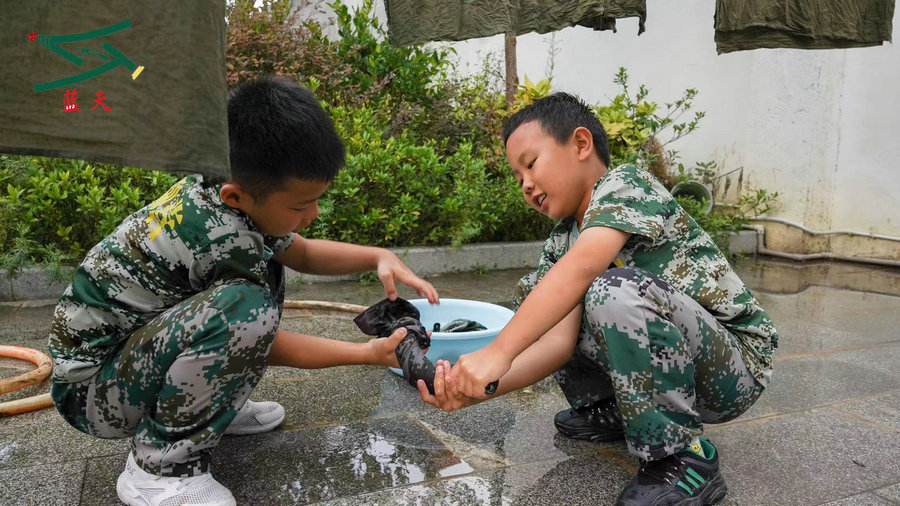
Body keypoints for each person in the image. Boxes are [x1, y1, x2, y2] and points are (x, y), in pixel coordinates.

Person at [48, 76, 439, 506]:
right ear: (237, 197)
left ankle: (206, 411)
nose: (313, 214)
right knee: (245, 306)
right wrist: (366, 354)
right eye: (299, 205)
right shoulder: (219, 236)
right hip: (91, 394)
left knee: (257, 283)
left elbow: (304, 253)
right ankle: (157, 468)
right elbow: (260, 338)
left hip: (131, 359)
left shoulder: (226, 195)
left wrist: (378, 256)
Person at [418, 92, 777, 506]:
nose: (526, 185)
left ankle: (683, 456)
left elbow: (586, 267)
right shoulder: (562, 240)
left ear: (581, 145)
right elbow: (556, 343)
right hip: (677, 365)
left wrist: (497, 351)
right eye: (518, 178)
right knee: (541, 293)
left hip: (734, 367)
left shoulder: (626, 184)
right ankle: (617, 411)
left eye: (531, 165)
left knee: (610, 289)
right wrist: (477, 389)